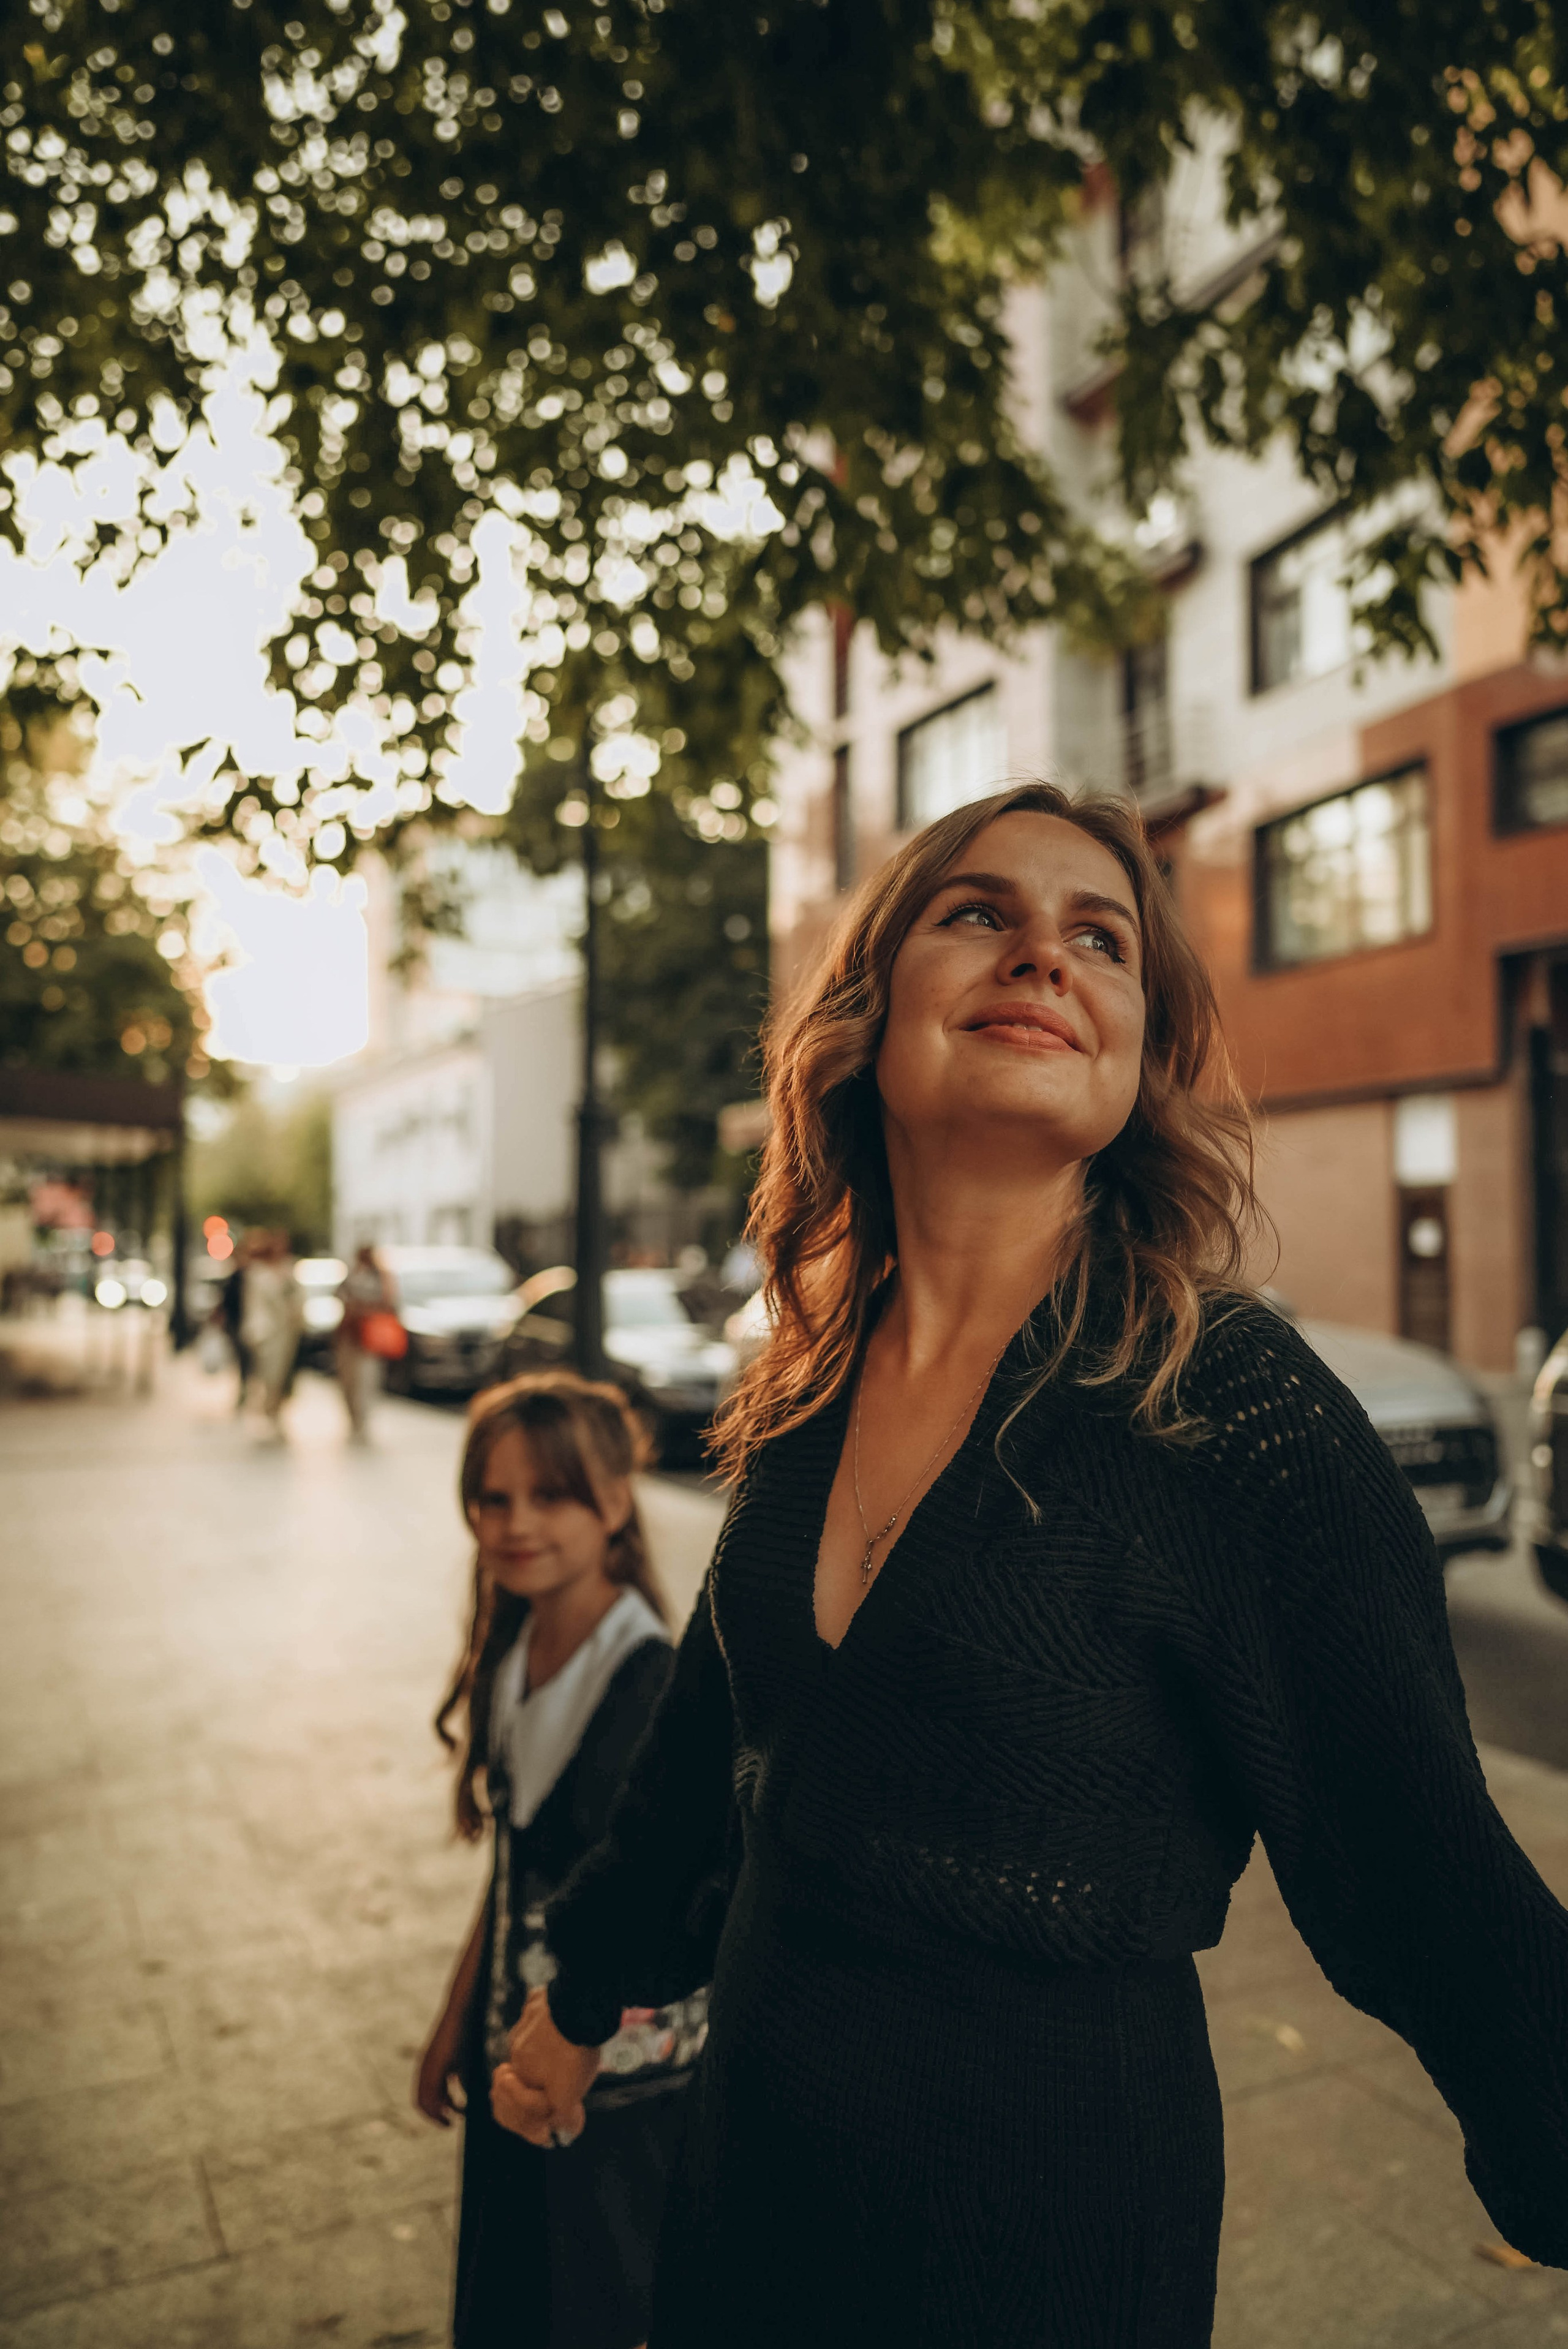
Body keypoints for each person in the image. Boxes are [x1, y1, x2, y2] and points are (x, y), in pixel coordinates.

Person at [493, 781, 1568, 2348]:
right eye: (978, 911)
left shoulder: (1229, 1410)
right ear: (869, 1011)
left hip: (1043, 2219)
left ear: (1136, 1054)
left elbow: (1425, 1872)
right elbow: (710, 1750)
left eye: (1098, 937)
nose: (1043, 956)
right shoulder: (805, 1384)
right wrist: (582, 1992)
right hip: (748, 2177)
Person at [415, 1372, 711, 2349]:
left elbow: (667, 1901)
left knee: (597, 2308)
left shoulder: (651, 1681)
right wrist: (459, 2017)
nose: (514, 1522)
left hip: (614, 2091)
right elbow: (510, 1872)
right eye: (492, 1496)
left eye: (550, 1494)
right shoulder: (515, 1645)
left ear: (616, 1501)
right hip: (517, 2063)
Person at [241, 1230, 303, 1438]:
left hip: (287, 1331)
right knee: (269, 1373)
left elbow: (298, 1298)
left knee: (284, 1374)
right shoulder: (258, 1273)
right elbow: (254, 1306)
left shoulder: (289, 1270)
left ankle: (276, 1410)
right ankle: (270, 1410)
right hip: (267, 1333)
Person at [336, 1242, 391, 1441]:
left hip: (367, 1339)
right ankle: (353, 1418)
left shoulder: (380, 1277)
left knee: (366, 1381)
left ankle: (363, 1420)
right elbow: (339, 1295)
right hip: (349, 1337)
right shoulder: (352, 1275)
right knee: (348, 1381)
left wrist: (362, 1308)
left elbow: (388, 1303)